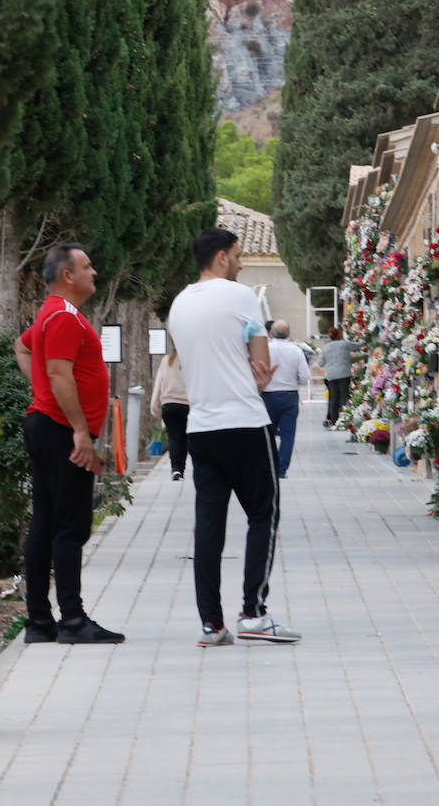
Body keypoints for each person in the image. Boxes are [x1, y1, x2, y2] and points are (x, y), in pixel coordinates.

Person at [167, 228, 302, 647]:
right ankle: (253, 614)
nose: (242, 264)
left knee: (209, 527)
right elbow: (260, 367)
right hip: (244, 421)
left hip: (201, 427)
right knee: (264, 513)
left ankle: (212, 624)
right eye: (239, 256)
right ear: (222, 258)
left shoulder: (178, 305)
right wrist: (257, 379)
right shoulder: (240, 297)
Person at [14, 243, 125, 645]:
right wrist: (79, 430)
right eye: (87, 266)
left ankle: (40, 623)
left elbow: (22, 347)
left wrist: (42, 392)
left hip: (49, 423)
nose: (94, 272)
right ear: (68, 276)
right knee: (70, 525)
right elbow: (60, 375)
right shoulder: (62, 316)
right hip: (61, 430)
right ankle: (73, 620)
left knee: (45, 522)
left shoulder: (55, 314)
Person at [261, 320, 309, 478]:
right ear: (289, 334)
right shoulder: (296, 351)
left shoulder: (265, 350)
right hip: (289, 396)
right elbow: (304, 377)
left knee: (267, 434)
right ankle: (281, 469)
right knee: (288, 435)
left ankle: (268, 467)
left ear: (271, 333)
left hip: (268, 396)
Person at [149, 344, 189, 481]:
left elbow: (159, 384)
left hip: (168, 405)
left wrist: (155, 407)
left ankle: (176, 469)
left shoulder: (166, 360)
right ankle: (187, 467)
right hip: (187, 404)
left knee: (174, 438)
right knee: (187, 438)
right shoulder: (191, 360)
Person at [319, 326, 361, 428]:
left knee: (333, 398)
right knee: (344, 397)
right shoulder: (344, 344)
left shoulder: (326, 347)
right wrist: (364, 340)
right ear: (339, 335)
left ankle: (334, 421)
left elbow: (320, 363)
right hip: (344, 374)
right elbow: (357, 346)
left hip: (331, 376)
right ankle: (344, 419)